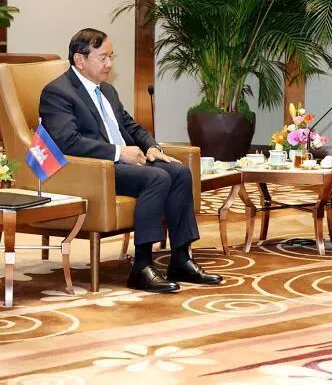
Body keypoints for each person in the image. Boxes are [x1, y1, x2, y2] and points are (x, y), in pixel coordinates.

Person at [39, 28, 222, 293]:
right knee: (157, 177)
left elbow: (131, 126)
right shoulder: (58, 92)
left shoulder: (107, 91)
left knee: (178, 171)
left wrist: (152, 147)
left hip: (124, 164)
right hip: (93, 171)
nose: (109, 64)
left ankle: (181, 259)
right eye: (103, 58)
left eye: (111, 56)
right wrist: (118, 152)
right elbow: (67, 141)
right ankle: (142, 267)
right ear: (80, 60)